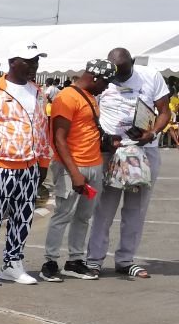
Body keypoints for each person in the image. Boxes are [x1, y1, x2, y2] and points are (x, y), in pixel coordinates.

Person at [0, 46, 52, 286]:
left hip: (29, 165)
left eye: (37, 60)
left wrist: (43, 162)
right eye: (29, 61)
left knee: (23, 217)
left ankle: (13, 264)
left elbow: (42, 129)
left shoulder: (38, 92)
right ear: (13, 61)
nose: (35, 65)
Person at [86, 47, 172, 279]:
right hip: (110, 153)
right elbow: (89, 113)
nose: (118, 79)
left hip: (144, 152)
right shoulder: (102, 81)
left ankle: (125, 260)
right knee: (104, 208)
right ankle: (93, 260)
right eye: (115, 74)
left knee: (136, 209)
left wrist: (152, 133)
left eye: (123, 73)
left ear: (133, 62)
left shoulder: (151, 76)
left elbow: (164, 112)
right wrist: (103, 138)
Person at [41, 59, 116, 282]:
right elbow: (59, 139)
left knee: (84, 216)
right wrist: (74, 173)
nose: (107, 87)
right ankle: (50, 261)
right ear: (94, 77)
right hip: (71, 166)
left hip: (94, 164)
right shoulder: (66, 98)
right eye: (106, 82)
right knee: (63, 214)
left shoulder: (92, 98)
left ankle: (74, 261)